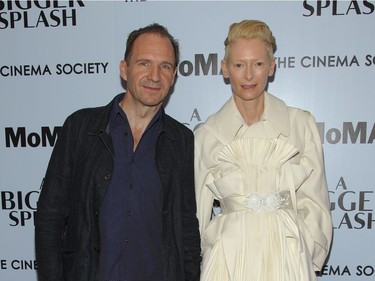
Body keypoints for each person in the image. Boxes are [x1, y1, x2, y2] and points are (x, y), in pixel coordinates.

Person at [35, 23, 201, 281]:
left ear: (174, 75)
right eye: (144, 63)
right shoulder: (81, 128)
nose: (154, 76)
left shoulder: (181, 141)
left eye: (165, 66)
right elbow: (50, 215)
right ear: (124, 69)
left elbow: (187, 227)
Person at [194, 19, 332, 281]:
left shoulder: (300, 125)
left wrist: (305, 250)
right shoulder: (207, 135)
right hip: (228, 261)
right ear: (225, 69)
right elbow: (197, 215)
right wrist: (206, 257)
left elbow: (315, 201)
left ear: (271, 67)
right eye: (239, 65)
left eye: (257, 64)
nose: (248, 75)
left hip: (288, 258)